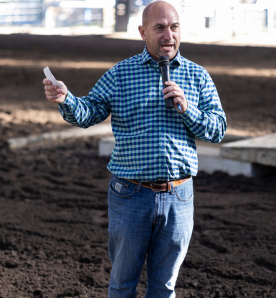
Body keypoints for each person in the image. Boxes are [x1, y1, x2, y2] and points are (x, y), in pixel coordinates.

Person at [43, 1, 227, 297]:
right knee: (122, 283)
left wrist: (188, 109)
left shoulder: (197, 76)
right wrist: (66, 99)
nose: (169, 35)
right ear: (143, 32)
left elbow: (217, 130)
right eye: (160, 28)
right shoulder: (120, 74)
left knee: (164, 287)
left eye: (174, 27)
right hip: (130, 195)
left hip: (179, 196)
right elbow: (90, 112)